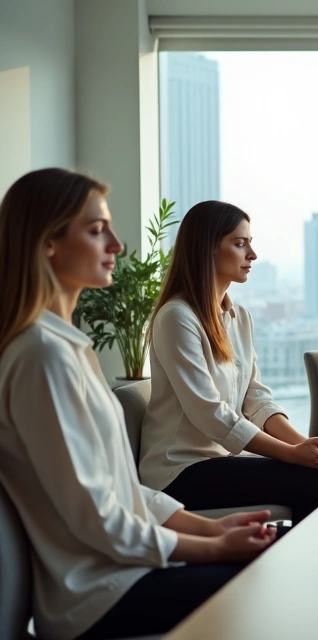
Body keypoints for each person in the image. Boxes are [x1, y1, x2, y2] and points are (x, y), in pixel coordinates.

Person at [0, 169, 276, 640]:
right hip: (98, 594)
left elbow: (120, 489)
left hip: (127, 569)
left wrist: (212, 529)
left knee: (271, 565)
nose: (116, 244)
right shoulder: (42, 357)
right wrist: (213, 549)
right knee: (267, 582)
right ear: (48, 244)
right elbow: (95, 517)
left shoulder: (67, 348)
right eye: (96, 230)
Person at [140, 201, 318, 523]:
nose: (252, 254)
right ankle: (300, 555)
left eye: (250, 243)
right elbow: (211, 415)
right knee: (316, 481)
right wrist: (293, 454)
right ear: (207, 249)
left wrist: (309, 446)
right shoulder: (177, 318)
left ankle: (313, 551)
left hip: (221, 459)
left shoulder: (239, 317)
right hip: (178, 470)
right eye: (240, 244)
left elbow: (257, 400)